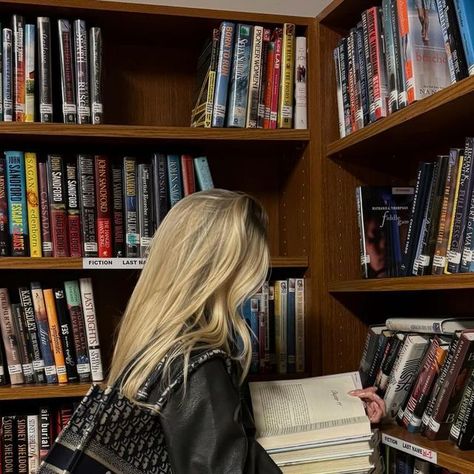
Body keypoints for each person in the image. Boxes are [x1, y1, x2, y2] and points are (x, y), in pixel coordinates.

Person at [108, 189, 385, 473]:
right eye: (251, 269)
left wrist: (341, 412)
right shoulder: (198, 361)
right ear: (222, 270)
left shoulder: (152, 339)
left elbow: (200, 429)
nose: (256, 286)